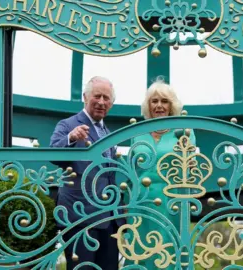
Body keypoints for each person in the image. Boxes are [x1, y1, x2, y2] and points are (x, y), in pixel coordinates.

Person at [49, 76, 124, 270]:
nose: (101, 102)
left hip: (109, 220)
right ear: (85, 97)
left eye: (106, 98)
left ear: (112, 104)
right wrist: (71, 138)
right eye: (97, 96)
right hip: (79, 217)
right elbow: (53, 154)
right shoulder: (67, 124)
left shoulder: (108, 132)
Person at [124, 78, 196, 269]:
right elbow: (130, 172)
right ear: (148, 105)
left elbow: (191, 169)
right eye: (154, 101)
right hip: (140, 202)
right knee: (139, 248)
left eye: (164, 101)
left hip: (172, 201)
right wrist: (126, 205)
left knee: (169, 250)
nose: (159, 106)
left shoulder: (184, 132)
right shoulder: (137, 133)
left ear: (172, 105)